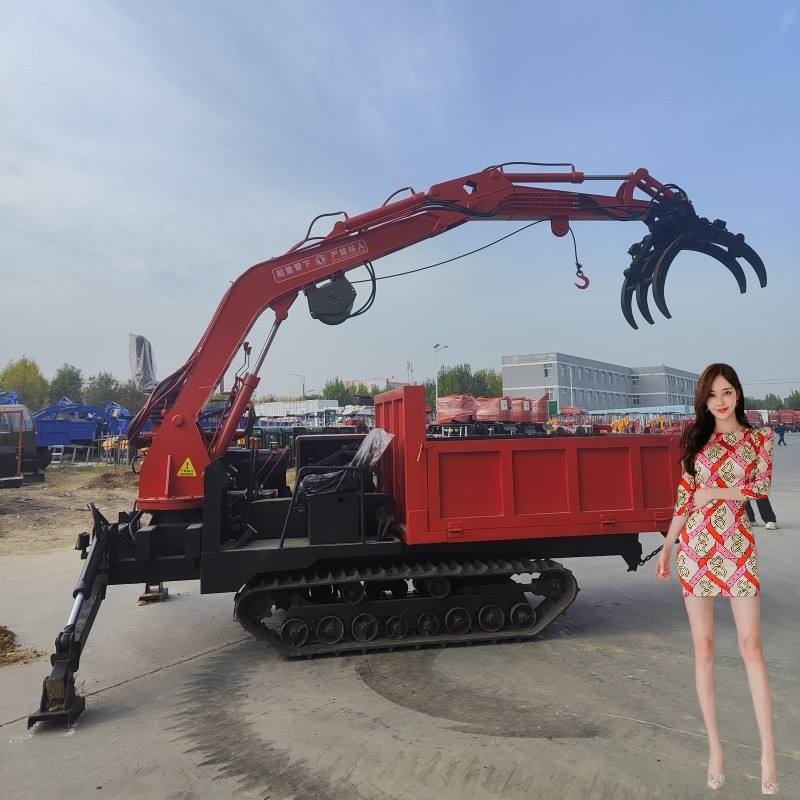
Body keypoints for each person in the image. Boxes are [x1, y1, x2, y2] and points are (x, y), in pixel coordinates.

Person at [655, 363, 778, 794]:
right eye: (712, 395)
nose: (720, 401)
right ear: (704, 401)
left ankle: (767, 753)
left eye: (726, 392)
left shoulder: (759, 439)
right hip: (696, 547)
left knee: (752, 646)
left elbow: (761, 488)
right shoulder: (695, 438)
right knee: (703, 647)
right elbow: (685, 496)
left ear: (738, 394)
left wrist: (718, 492)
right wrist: (668, 544)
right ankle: (715, 750)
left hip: (738, 546)